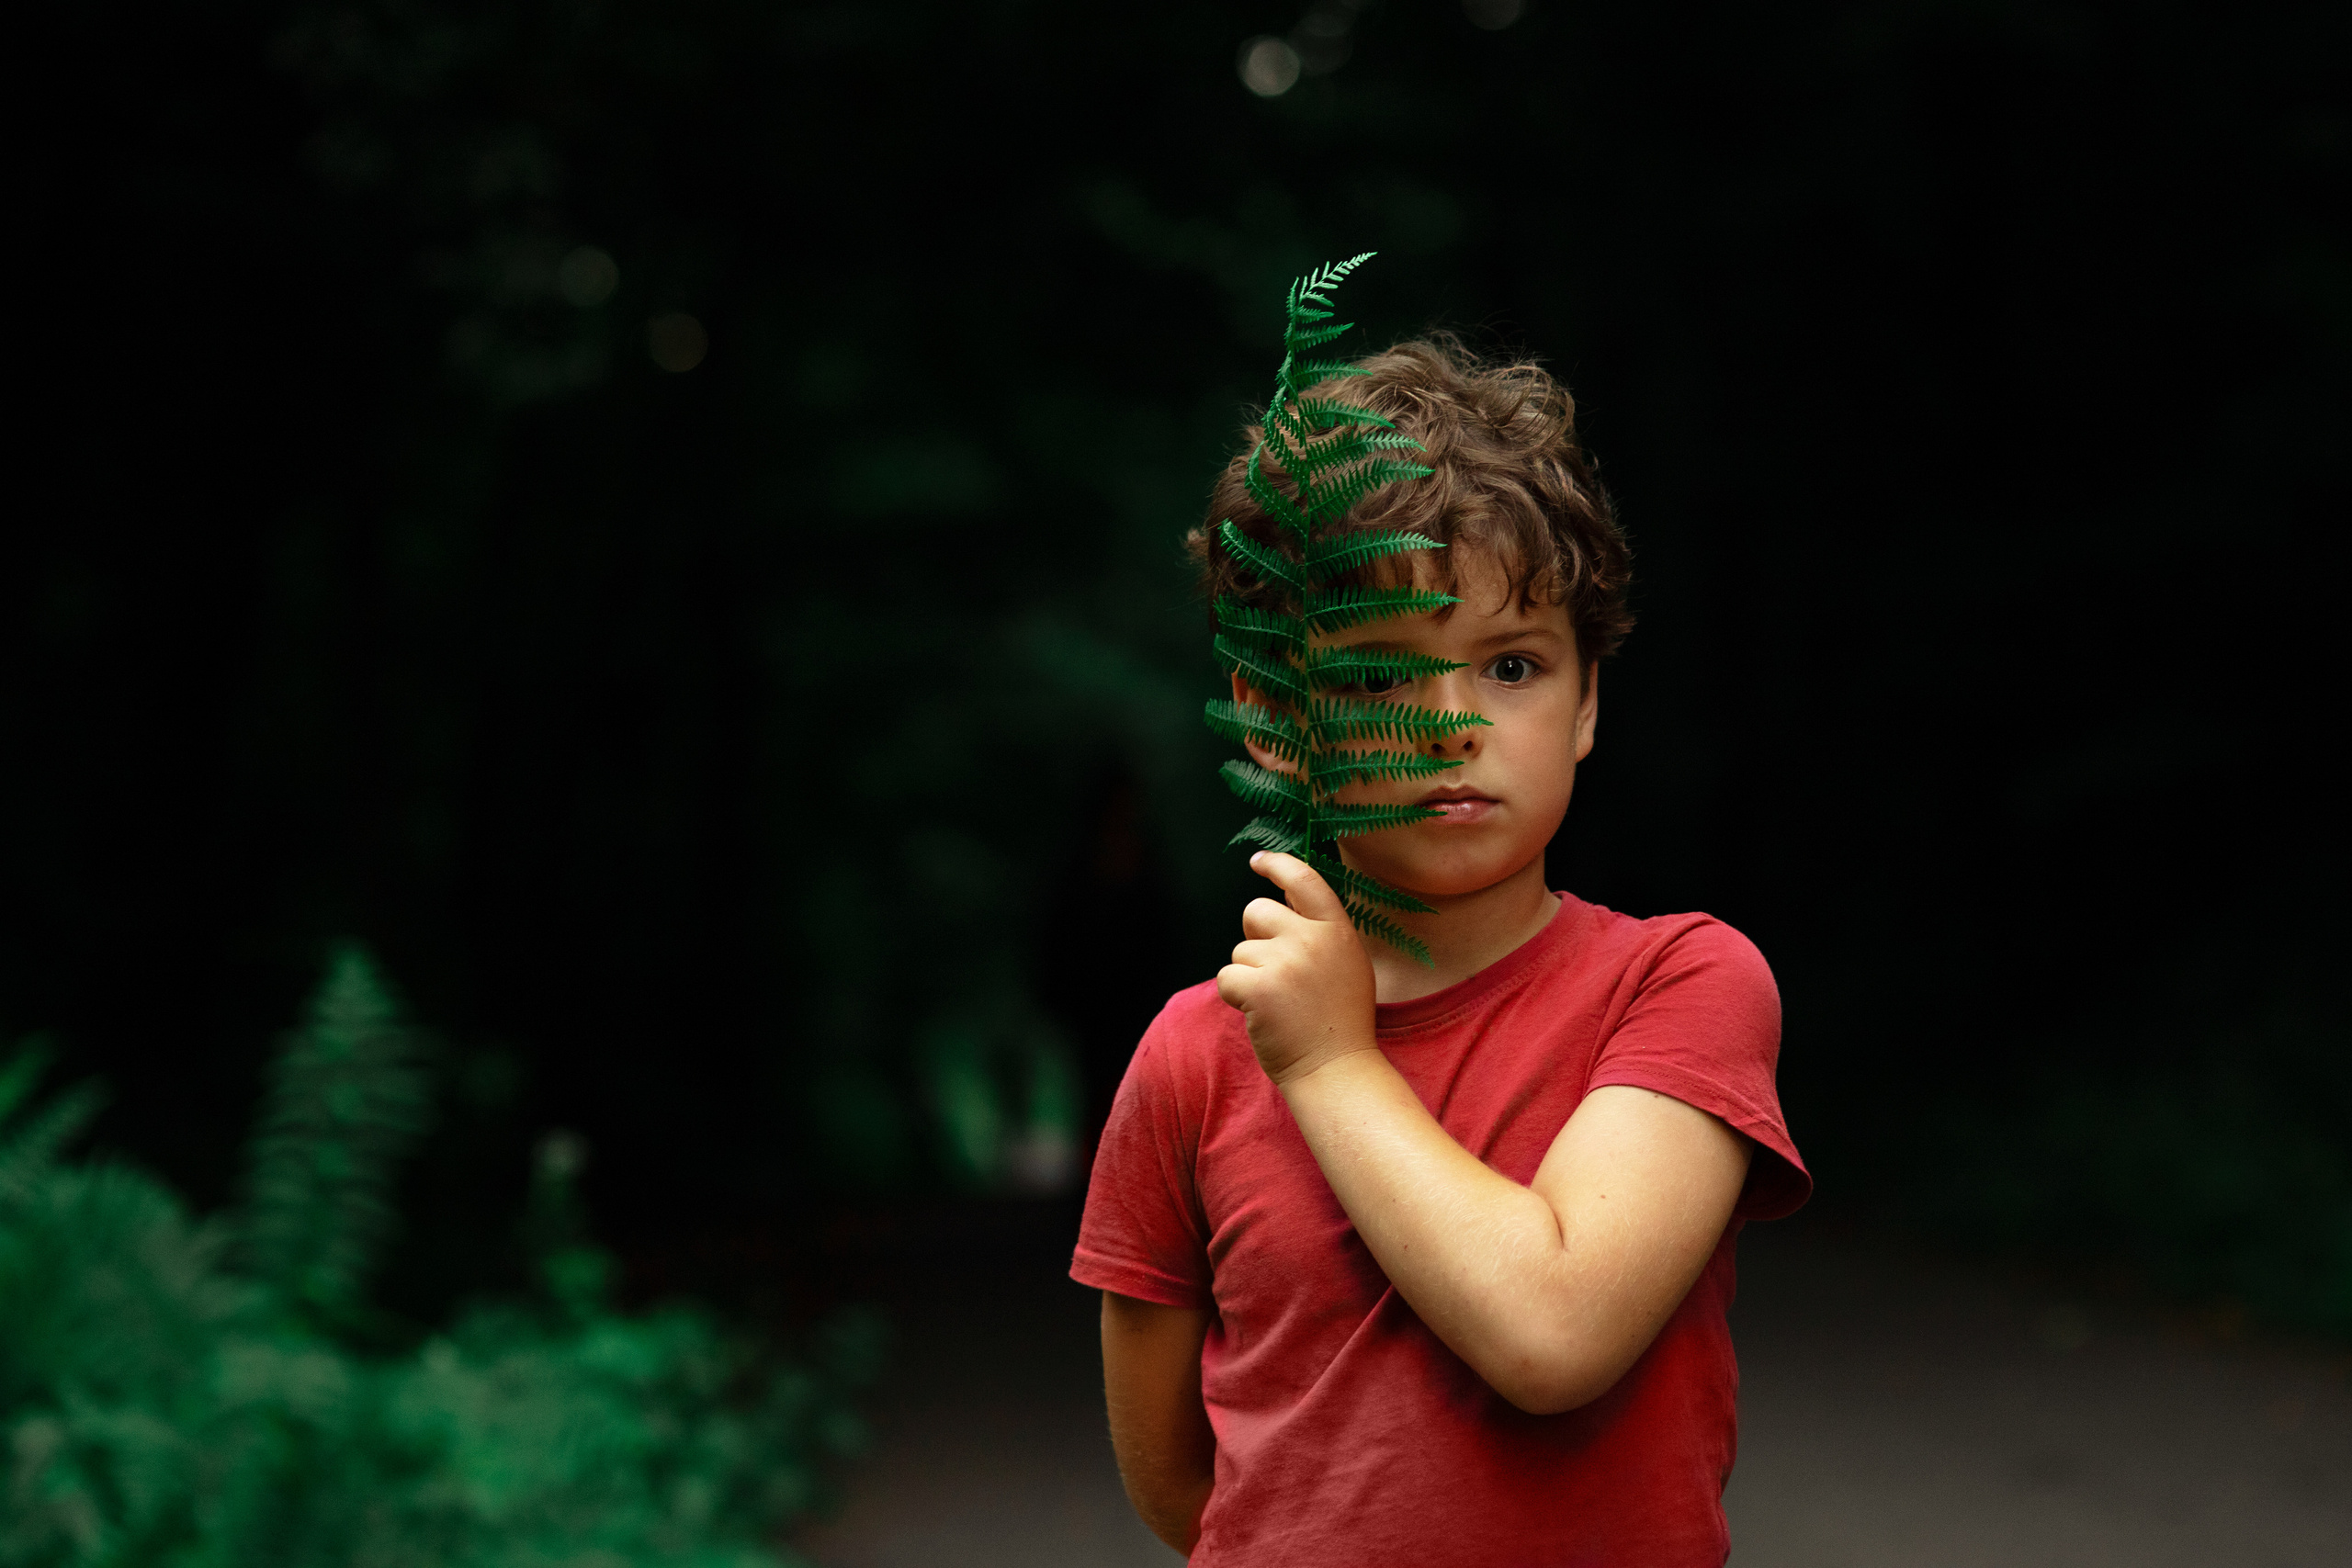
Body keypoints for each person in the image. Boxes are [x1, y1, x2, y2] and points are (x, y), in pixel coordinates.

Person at [1069, 337, 1809, 1565]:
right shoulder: (1196, 1055)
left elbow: (1554, 1335)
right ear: (1273, 714)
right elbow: (1177, 1472)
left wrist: (1330, 1067)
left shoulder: (1684, 985)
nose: (1454, 726)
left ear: (1583, 705)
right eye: (1379, 677)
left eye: (1512, 666)